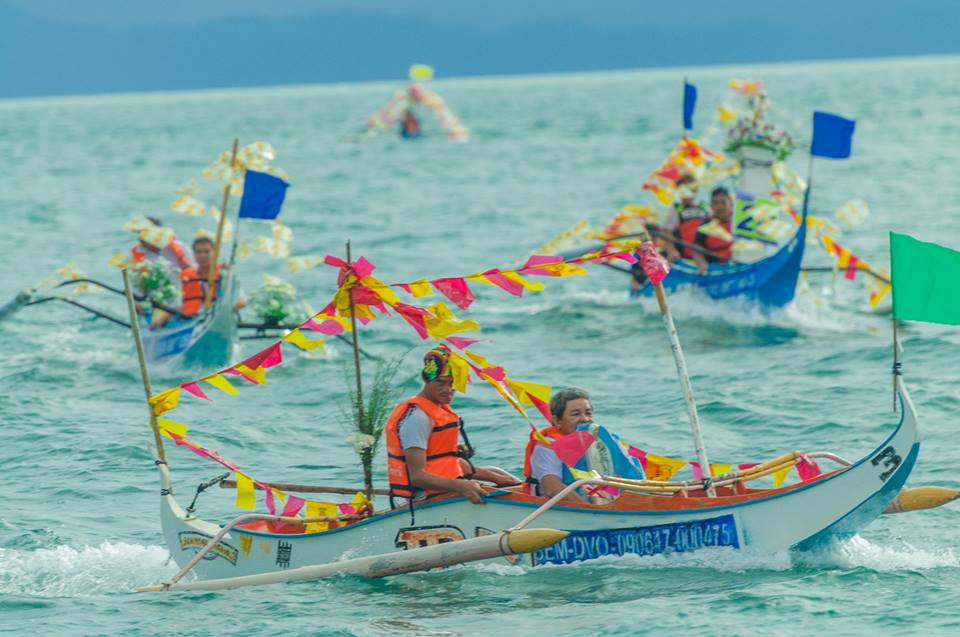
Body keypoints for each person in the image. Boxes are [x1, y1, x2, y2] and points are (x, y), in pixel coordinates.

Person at [385, 345, 520, 506]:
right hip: (425, 498)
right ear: (426, 380)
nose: (447, 389)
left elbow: (446, 462)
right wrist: (462, 486)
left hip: (448, 486)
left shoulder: (440, 410)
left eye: (452, 384)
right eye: (440, 383)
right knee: (495, 490)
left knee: (500, 474)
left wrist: (498, 478)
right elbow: (417, 477)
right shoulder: (418, 419)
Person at [523, 388, 645, 502]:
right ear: (557, 421)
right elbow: (552, 489)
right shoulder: (547, 447)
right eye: (576, 414)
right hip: (554, 507)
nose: (585, 419)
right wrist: (595, 510)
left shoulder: (596, 442)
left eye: (588, 413)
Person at [690, 187, 735, 274]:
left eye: (723, 202)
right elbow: (697, 251)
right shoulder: (704, 226)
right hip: (716, 271)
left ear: (730, 203)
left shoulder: (739, 223)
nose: (720, 206)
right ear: (711, 206)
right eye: (716, 203)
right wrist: (701, 263)